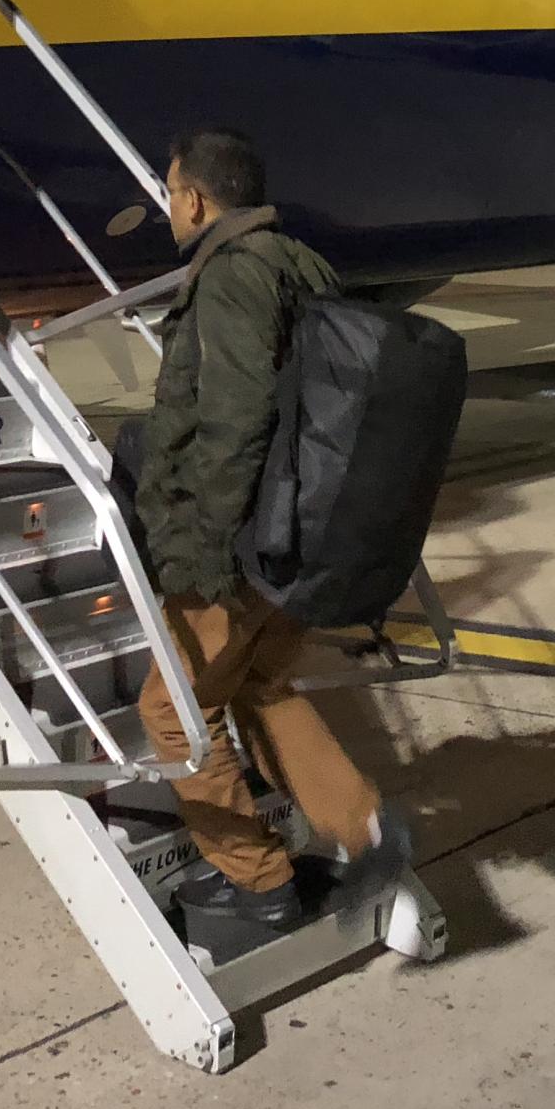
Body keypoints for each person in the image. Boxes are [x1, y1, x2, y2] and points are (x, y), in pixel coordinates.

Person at [129, 129, 412, 930]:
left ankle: (257, 883)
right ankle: (365, 827)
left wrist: (211, 546)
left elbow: (237, 417)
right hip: (305, 525)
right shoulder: (298, 262)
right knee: (255, 684)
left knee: (174, 708)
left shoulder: (228, 277)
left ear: (195, 199)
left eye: (169, 192)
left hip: (247, 536)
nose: (168, 208)